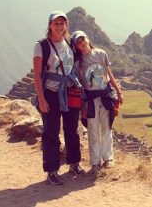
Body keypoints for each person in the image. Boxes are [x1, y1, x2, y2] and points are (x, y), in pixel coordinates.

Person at [33, 10, 85, 185]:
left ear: (66, 25)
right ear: (50, 25)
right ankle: (52, 170)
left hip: (69, 91)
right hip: (51, 93)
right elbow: (38, 75)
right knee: (51, 132)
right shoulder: (42, 46)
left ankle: (74, 163)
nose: (59, 26)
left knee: (72, 129)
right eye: (56, 23)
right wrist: (41, 99)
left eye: (62, 23)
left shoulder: (69, 43)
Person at [71, 30, 124, 174]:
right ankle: (95, 162)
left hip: (105, 96)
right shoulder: (78, 63)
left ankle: (108, 159)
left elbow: (108, 74)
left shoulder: (101, 54)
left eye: (83, 39)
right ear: (76, 46)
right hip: (90, 100)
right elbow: (78, 82)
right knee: (93, 131)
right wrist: (82, 104)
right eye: (78, 42)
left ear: (88, 38)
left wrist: (118, 91)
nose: (82, 43)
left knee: (106, 128)